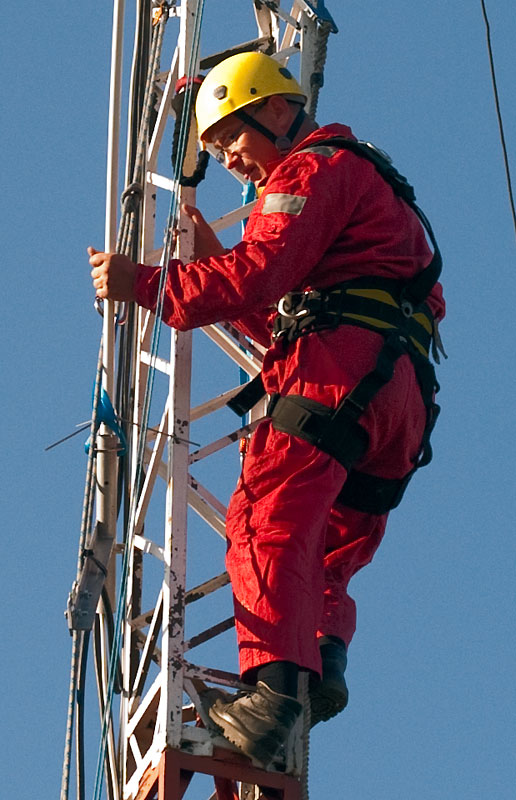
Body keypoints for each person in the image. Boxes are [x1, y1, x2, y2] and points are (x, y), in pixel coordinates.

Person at [89, 52, 445, 769]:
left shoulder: (310, 169)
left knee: (264, 518)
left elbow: (259, 276)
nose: (228, 161)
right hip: (397, 398)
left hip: (339, 374)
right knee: (326, 547)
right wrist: (212, 265)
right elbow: (279, 311)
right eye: (216, 150)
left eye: (230, 138)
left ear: (277, 110)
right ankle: (320, 658)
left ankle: (273, 696)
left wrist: (146, 284)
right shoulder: (368, 184)